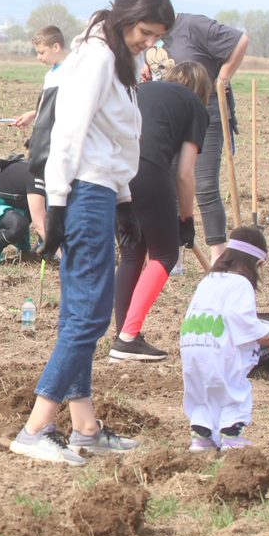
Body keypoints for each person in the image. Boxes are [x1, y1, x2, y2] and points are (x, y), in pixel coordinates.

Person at [9, 0, 174, 466]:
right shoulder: (99, 57)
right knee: (90, 317)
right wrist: (57, 204)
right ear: (126, 17)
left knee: (80, 313)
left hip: (100, 192)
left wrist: (123, 199)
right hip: (82, 193)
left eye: (156, 37)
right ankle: (36, 428)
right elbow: (69, 131)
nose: (148, 42)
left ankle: (85, 427)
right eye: (145, 32)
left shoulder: (116, 56)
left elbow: (115, 138)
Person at [109, 61, 211, 362]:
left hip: (113, 172)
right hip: (150, 172)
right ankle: (129, 336)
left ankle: (123, 337)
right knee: (165, 255)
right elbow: (184, 172)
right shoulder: (194, 105)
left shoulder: (140, 90)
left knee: (131, 254)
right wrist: (187, 219)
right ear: (201, 90)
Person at [144, 13, 249, 261]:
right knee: (167, 183)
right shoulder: (149, 35)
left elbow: (241, 40)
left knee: (204, 185)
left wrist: (222, 77)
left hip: (204, 110)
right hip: (169, 115)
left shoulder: (192, 25)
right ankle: (172, 254)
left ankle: (218, 256)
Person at [180, 227, 269, 452]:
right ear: (255, 263)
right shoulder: (240, 284)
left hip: (193, 344)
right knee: (233, 389)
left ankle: (202, 437)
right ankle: (231, 437)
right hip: (220, 350)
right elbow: (239, 317)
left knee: (201, 392)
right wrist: (263, 336)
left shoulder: (208, 280)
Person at [13, 26, 70, 241]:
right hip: (47, 142)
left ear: (56, 46)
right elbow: (49, 107)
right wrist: (33, 115)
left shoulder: (70, 72)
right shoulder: (51, 74)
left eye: (42, 52)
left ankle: (60, 242)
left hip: (59, 143)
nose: (39, 58)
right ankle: (47, 238)